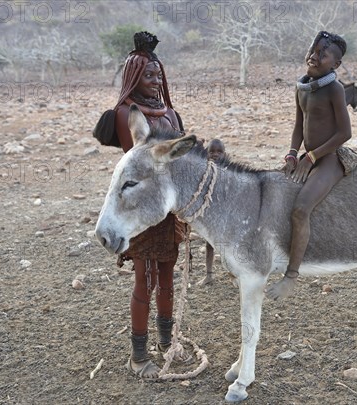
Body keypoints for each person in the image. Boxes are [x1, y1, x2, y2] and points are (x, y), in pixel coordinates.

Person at [112, 31, 187, 378]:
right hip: (140, 207)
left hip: (168, 205)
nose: (155, 80)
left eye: (158, 74)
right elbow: (141, 162)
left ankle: (167, 343)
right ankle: (138, 355)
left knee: (168, 276)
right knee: (145, 278)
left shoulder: (170, 113)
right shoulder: (126, 113)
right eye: (147, 75)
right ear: (132, 77)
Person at [266, 31, 357, 300]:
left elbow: (344, 133)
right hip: (306, 156)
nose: (314, 57)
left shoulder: (334, 89)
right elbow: (298, 126)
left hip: (328, 159)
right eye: (312, 51)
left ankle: (291, 275)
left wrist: (312, 157)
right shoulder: (302, 87)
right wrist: (293, 155)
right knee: (273, 191)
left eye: (322, 54)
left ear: (336, 64)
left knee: (301, 208)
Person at [197, 139, 226, 286]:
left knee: (227, 245)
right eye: (212, 151)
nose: (215, 154)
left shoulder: (228, 171)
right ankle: (209, 275)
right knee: (209, 244)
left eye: (219, 152)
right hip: (210, 215)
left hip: (225, 215)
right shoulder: (205, 169)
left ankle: (233, 272)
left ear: (225, 154)